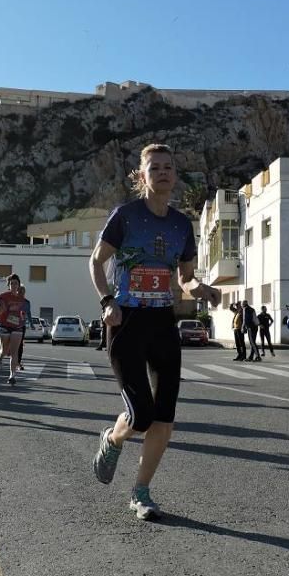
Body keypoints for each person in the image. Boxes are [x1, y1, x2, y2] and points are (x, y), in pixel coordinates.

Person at [89, 143, 221, 521]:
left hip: (163, 322)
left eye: (168, 167)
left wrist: (205, 290)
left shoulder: (182, 225)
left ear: (174, 175)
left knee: (164, 416)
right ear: (142, 176)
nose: (162, 172)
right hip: (126, 320)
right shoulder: (124, 217)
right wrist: (107, 301)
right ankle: (112, 439)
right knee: (141, 414)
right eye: (155, 167)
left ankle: (141, 493)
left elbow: (185, 280)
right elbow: (95, 262)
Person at [0, 274, 27, 385]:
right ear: (8, 285)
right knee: (5, 350)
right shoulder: (3, 296)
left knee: (14, 352)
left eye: (16, 283)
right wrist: (1, 309)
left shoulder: (21, 298)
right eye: (12, 283)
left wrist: (23, 318)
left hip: (16, 327)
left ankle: (12, 375)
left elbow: (24, 312)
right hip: (4, 325)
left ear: (19, 285)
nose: (14, 285)